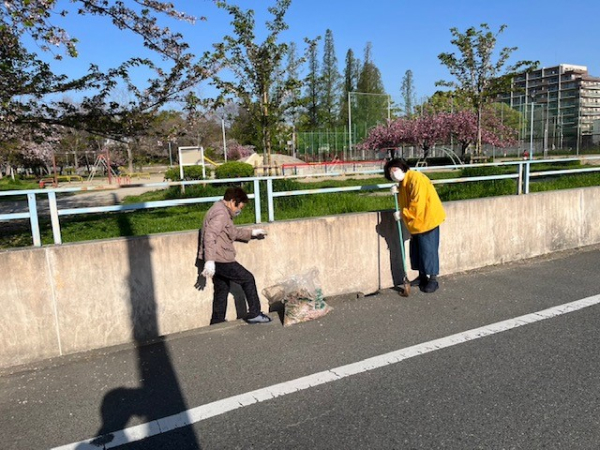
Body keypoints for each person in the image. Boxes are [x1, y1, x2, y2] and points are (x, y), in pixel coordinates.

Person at [199, 186, 272, 324]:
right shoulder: (221, 214)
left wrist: (252, 233)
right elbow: (210, 235)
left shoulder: (221, 211)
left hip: (217, 259)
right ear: (233, 201)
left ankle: (217, 320)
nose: (239, 211)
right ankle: (255, 313)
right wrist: (209, 261)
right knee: (248, 279)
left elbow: (232, 232)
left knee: (222, 288)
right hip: (221, 259)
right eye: (240, 207)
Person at [384, 158, 446, 293]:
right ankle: (422, 276)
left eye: (394, 169)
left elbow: (418, 203)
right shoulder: (403, 184)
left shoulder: (416, 179)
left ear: (402, 167)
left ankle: (433, 279)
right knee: (417, 249)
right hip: (415, 222)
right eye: (390, 173)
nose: (393, 174)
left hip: (427, 219)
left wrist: (403, 213)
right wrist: (398, 193)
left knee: (428, 249)